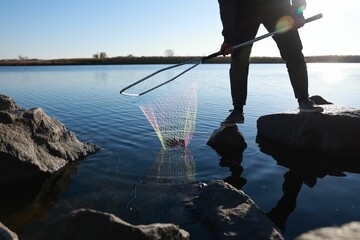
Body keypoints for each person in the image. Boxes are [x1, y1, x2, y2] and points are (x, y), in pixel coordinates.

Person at [218, 0, 323, 126]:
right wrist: (228, 38)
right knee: (238, 59)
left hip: (278, 7)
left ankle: (304, 100)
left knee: (293, 51)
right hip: (245, 11)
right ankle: (237, 110)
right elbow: (226, 4)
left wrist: (297, 13)